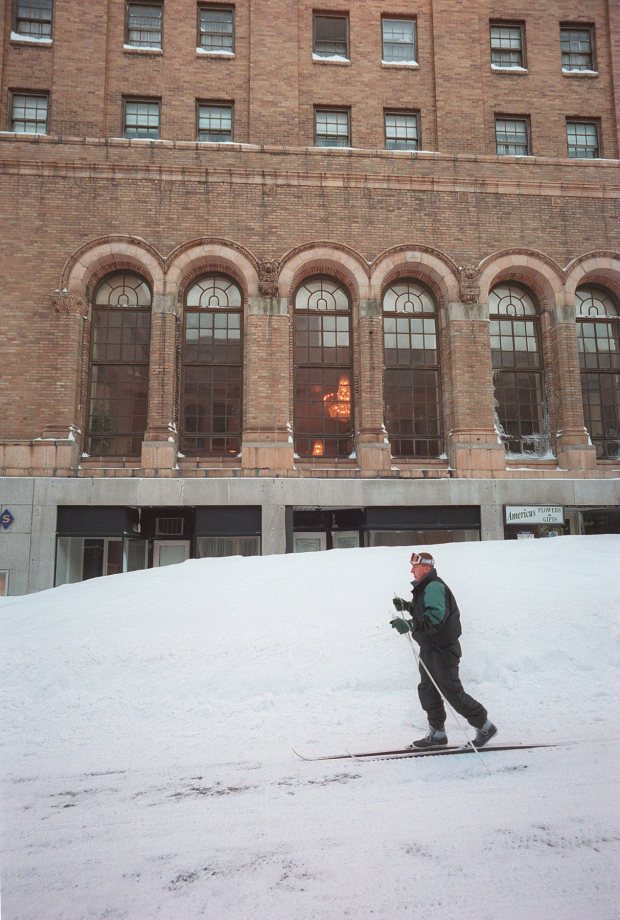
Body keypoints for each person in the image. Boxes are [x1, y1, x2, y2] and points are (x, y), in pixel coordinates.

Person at [390, 551, 497, 750]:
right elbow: (426, 611)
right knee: (427, 689)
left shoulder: (434, 586)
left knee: (452, 692)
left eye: (415, 567)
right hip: (430, 648)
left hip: (442, 649)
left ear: (426, 568)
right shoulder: (426, 587)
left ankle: (484, 726)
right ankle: (437, 734)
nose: (411, 571)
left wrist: (411, 625)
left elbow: (436, 618)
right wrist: (408, 607)